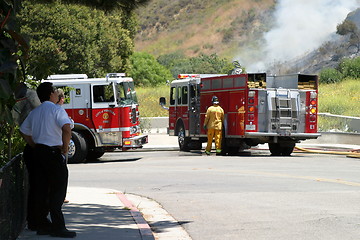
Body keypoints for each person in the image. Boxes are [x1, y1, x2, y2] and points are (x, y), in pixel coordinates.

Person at [20, 82, 76, 238]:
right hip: (53, 152)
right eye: (55, 92)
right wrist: (64, 149)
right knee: (58, 189)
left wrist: (34, 144)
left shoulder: (35, 112)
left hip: (39, 152)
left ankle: (42, 224)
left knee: (41, 188)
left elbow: (23, 130)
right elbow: (66, 128)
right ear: (51, 94)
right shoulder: (57, 110)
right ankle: (58, 226)